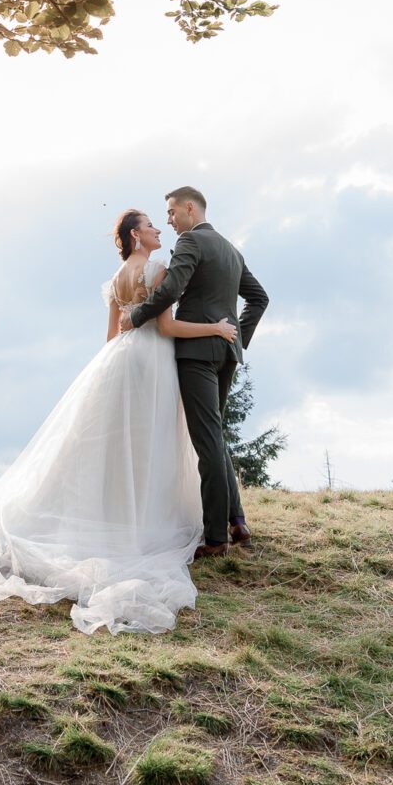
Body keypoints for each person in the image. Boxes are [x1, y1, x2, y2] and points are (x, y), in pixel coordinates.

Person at [0, 206, 239, 633]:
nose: (156, 229)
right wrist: (216, 329)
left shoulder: (114, 283)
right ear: (136, 237)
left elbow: (112, 337)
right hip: (152, 366)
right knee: (151, 447)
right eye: (150, 225)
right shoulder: (157, 270)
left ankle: (116, 514)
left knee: (116, 449)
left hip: (118, 364)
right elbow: (166, 328)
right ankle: (149, 520)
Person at [124, 186, 268, 555]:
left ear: (190, 209)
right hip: (225, 353)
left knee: (206, 443)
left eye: (172, 212)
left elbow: (171, 288)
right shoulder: (231, 250)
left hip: (196, 354)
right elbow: (259, 298)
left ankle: (216, 538)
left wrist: (137, 317)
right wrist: (236, 338)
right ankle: (237, 522)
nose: (169, 221)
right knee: (215, 436)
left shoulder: (191, 242)